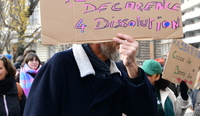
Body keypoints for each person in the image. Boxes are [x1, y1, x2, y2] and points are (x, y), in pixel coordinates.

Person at [23, 33, 157, 116]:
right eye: (119, 34)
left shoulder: (117, 73)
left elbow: (145, 112)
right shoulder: (60, 65)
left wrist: (133, 67)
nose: (124, 40)